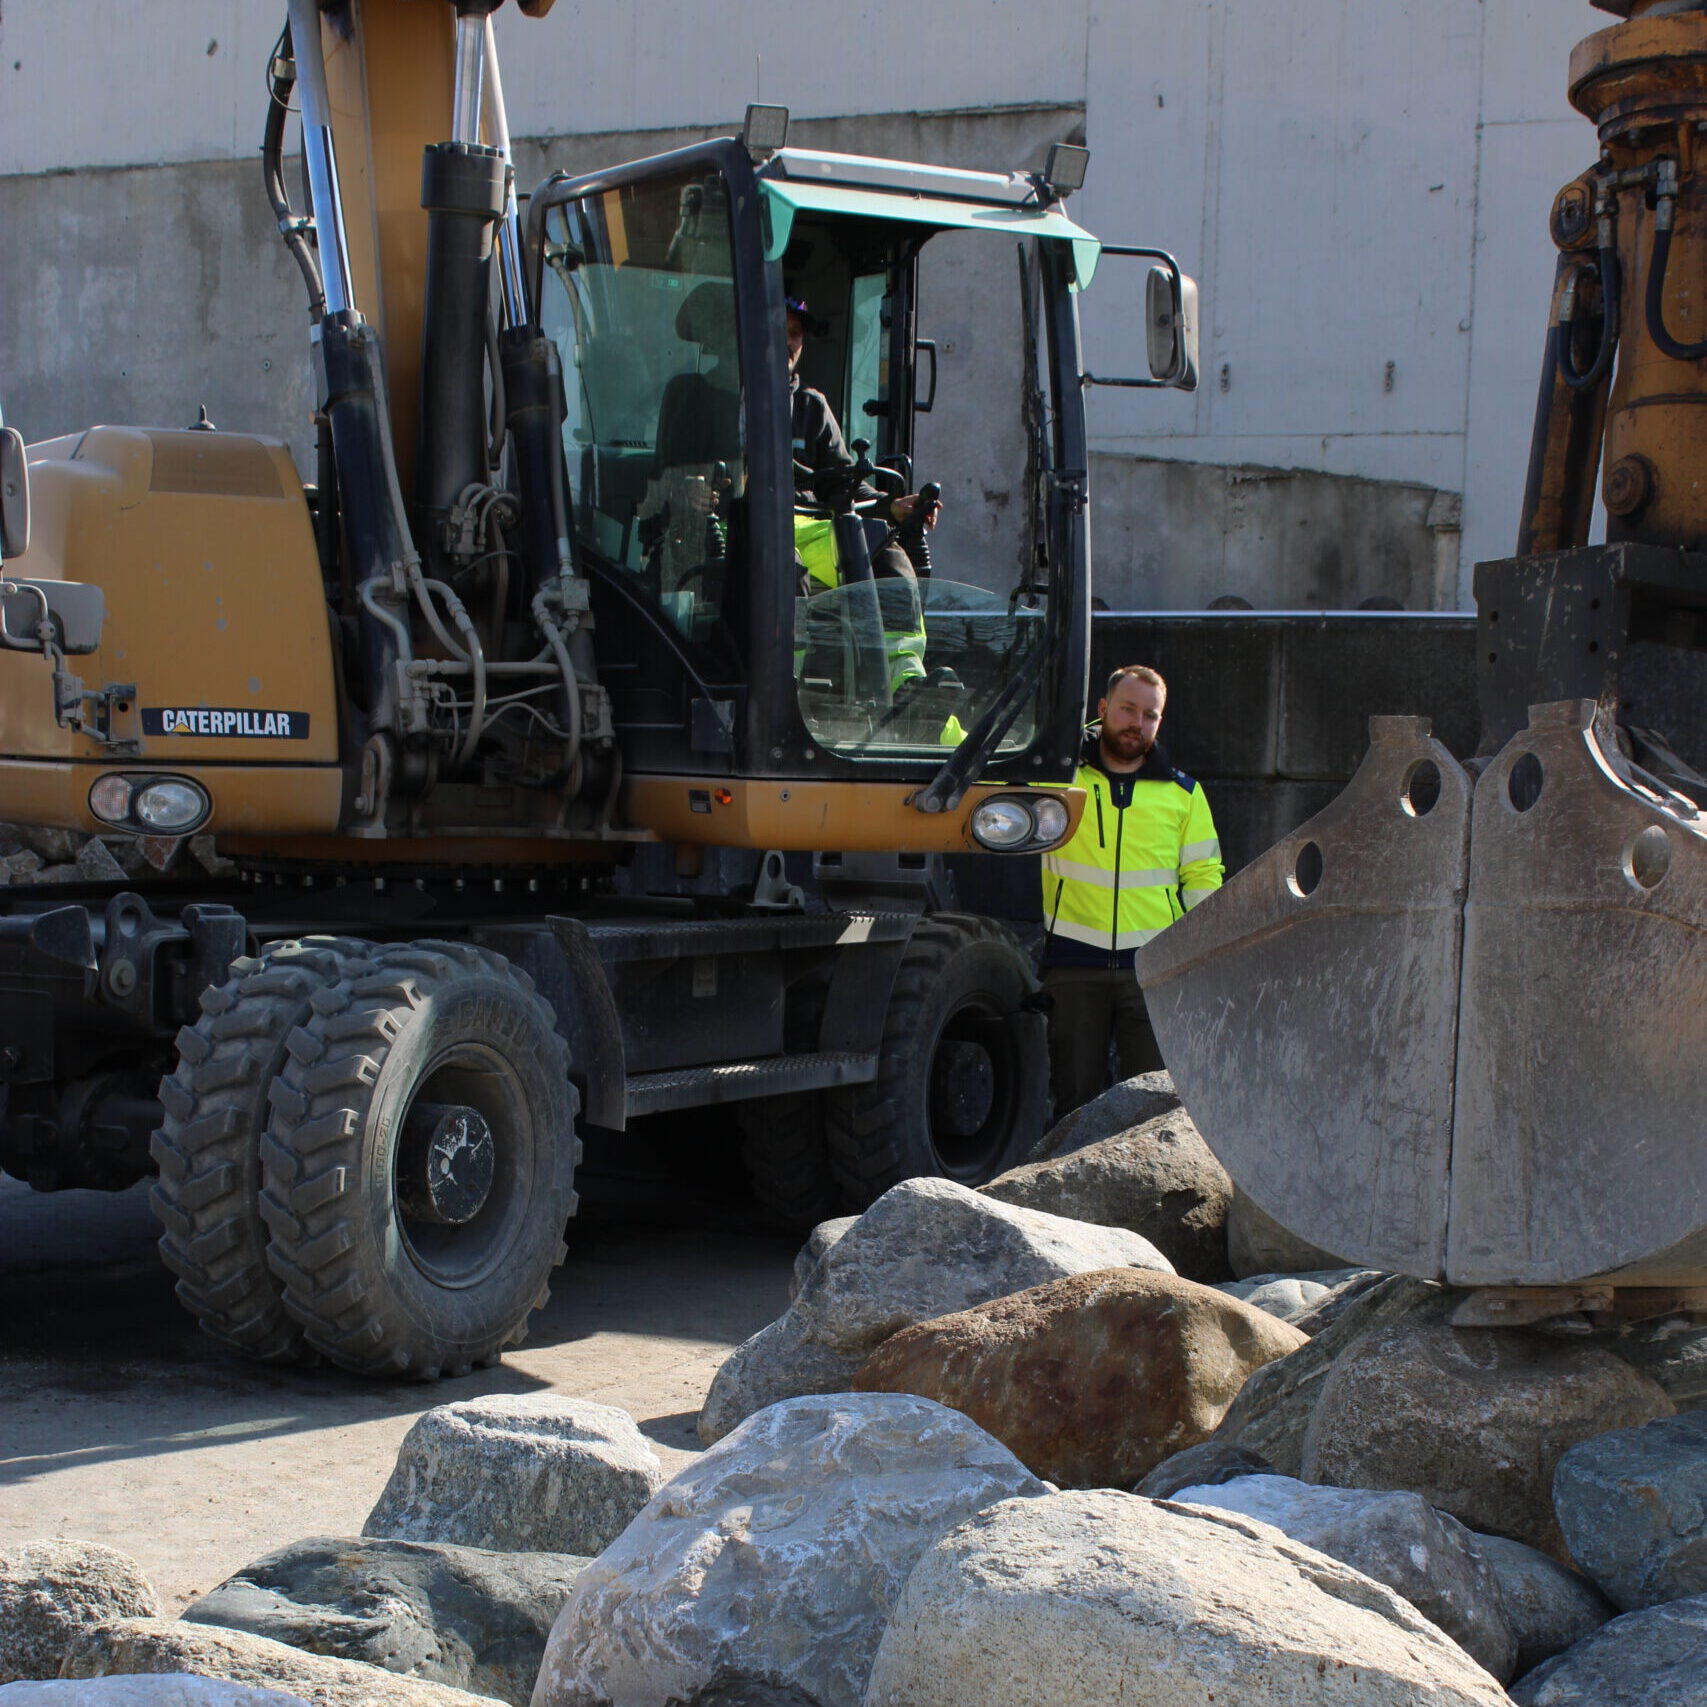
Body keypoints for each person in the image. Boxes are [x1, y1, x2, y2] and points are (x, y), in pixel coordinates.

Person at [1039, 663, 1223, 1114]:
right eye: (1127, 709)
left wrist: (1201, 959)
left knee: (1154, 1106)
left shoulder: (1183, 794)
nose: (1137, 724)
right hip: (1074, 963)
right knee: (1073, 1105)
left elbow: (1203, 877)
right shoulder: (1061, 778)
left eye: (1150, 715)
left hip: (1154, 970)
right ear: (1102, 709)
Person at [786, 296, 935, 695]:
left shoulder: (810, 408)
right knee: (782, 563)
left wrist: (891, 506)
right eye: (778, 332)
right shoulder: (720, 399)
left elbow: (842, 480)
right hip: (747, 527)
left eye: (795, 334)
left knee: (880, 546)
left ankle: (907, 683)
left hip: (809, 525)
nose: (788, 343)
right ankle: (789, 684)